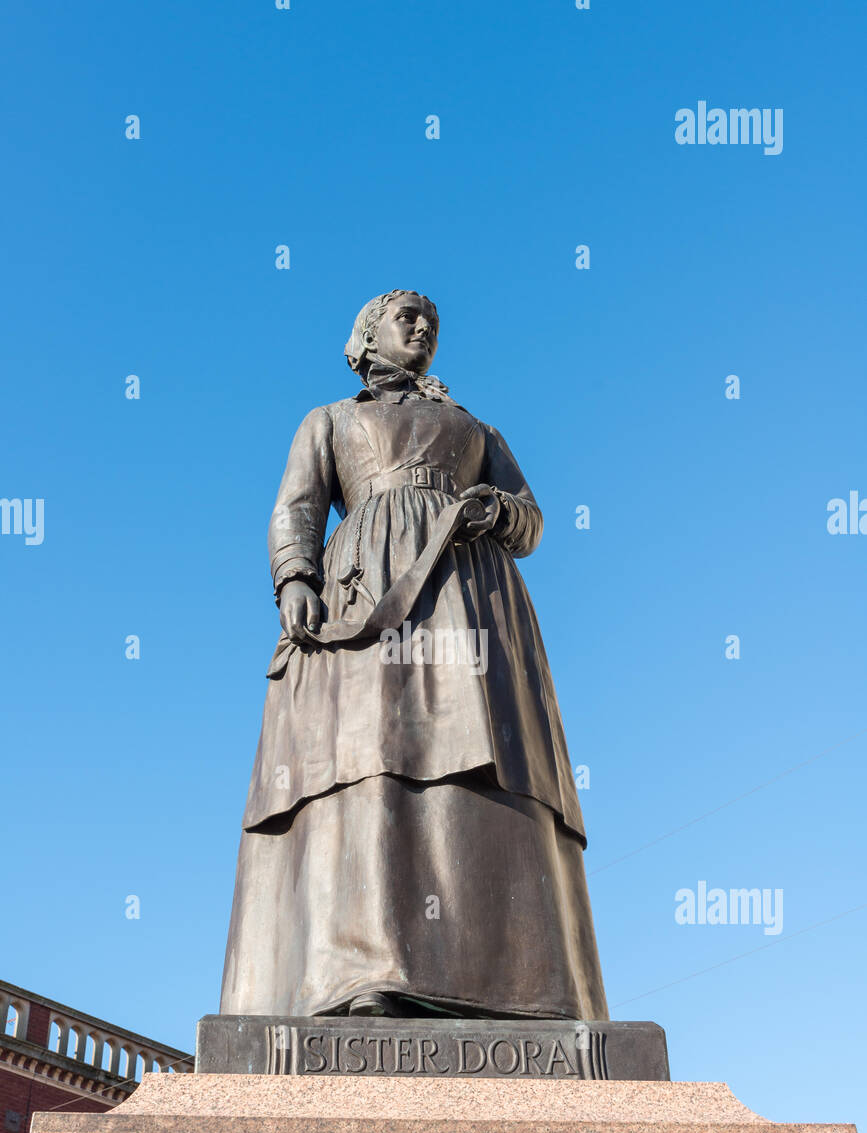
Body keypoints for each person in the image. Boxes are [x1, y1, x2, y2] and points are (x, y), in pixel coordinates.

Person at [220, 290, 609, 1021]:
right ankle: (364, 968)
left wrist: (496, 510)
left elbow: (530, 521)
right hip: (366, 595)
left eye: (432, 321)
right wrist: (294, 576)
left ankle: (516, 981)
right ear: (368, 336)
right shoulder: (330, 420)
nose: (424, 328)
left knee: (483, 758)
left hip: (472, 591)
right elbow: (297, 505)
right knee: (370, 756)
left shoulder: (472, 427)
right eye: (407, 318)